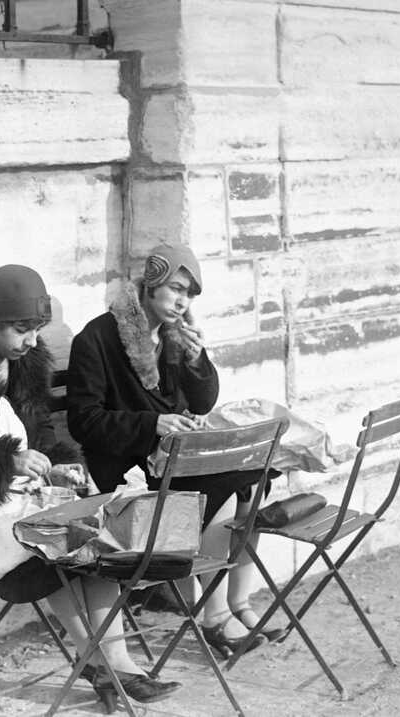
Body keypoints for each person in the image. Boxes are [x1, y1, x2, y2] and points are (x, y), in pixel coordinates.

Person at [0, 264, 180, 711]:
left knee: (85, 526)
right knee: (50, 535)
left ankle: (115, 662)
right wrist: (4, 462)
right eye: (22, 329)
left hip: (16, 499)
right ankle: (104, 667)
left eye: (37, 329)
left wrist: (58, 467)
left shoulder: (23, 365)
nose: (32, 341)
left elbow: (43, 439)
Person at [66, 244, 283, 658]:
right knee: (221, 495)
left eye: (189, 294)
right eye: (175, 289)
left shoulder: (172, 334)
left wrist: (197, 361)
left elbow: (201, 402)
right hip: (125, 467)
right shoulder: (97, 338)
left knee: (252, 483)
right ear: (150, 284)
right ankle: (216, 617)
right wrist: (153, 424)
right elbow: (84, 421)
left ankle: (239, 603)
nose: (182, 301)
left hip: (171, 460)